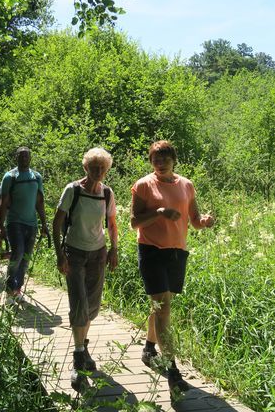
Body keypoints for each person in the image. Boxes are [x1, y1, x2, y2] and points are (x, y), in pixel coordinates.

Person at [130, 140, 215, 394]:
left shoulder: (186, 185)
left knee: (160, 305)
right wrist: (159, 212)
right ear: (150, 160)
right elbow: (135, 222)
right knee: (164, 307)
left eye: (165, 158)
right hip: (151, 250)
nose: (160, 162)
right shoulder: (143, 185)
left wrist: (205, 221)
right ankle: (173, 371)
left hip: (177, 252)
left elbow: (195, 221)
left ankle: (148, 348)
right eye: (156, 158)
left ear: (174, 159)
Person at [53, 147, 118, 392]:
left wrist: (114, 249)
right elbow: (57, 221)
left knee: (92, 305)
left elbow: (111, 223)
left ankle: (83, 346)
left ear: (107, 169)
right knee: (79, 303)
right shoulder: (73, 190)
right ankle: (78, 357)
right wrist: (59, 253)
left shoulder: (107, 193)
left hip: (98, 253)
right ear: (85, 167)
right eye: (93, 167)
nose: (98, 171)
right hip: (75, 252)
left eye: (102, 168)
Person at [0, 146, 48, 304]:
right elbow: (4, 202)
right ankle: (8, 290)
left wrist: (44, 225)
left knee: (25, 258)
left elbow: (40, 202)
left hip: (32, 224)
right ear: (16, 158)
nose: (24, 159)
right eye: (21, 156)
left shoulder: (36, 177)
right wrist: (1, 225)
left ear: (30, 158)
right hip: (14, 222)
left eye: (26, 156)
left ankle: (17, 289)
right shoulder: (10, 177)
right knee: (17, 254)